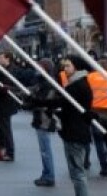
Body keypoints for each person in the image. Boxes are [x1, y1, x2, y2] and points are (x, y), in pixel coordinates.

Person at [33, 56, 93, 196]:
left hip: (74, 133)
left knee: (77, 174)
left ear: (76, 67)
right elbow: (66, 106)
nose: (64, 69)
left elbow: (61, 102)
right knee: (77, 173)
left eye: (68, 66)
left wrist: (38, 102)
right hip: (75, 131)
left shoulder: (77, 86)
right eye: (64, 66)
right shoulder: (78, 83)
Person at [87, 57, 107, 177]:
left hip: (96, 111)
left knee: (98, 140)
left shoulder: (90, 77)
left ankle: (104, 167)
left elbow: (88, 94)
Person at [30, 58, 58, 187]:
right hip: (39, 117)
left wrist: (34, 99)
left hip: (44, 118)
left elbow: (46, 101)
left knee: (45, 149)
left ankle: (49, 175)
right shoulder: (41, 82)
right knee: (44, 149)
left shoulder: (48, 83)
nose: (37, 68)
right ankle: (46, 173)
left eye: (40, 66)